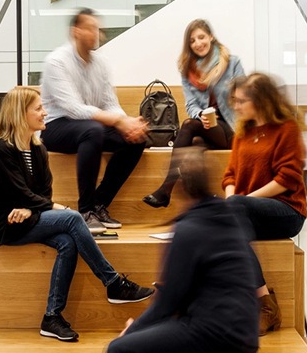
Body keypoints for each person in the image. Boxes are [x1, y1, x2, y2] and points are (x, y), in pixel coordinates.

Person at [0, 87, 154, 343]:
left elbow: (42, 193)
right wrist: (48, 207)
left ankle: (51, 317)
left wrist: (31, 208)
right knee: (73, 217)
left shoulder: (38, 149)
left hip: (29, 217)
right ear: (20, 114)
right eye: (38, 108)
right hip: (6, 224)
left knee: (67, 242)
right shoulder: (1, 150)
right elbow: (18, 193)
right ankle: (113, 283)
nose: (45, 113)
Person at [107, 149, 259, 353]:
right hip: (246, 334)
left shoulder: (188, 230)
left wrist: (131, 331)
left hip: (215, 334)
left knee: (118, 348)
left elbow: (166, 304)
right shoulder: (232, 217)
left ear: (179, 186)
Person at [40, 8, 149, 234]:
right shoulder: (56, 62)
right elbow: (74, 108)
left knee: (136, 140)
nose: (96, 33)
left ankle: (99, 204)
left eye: (97, 29)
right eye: (89, 28)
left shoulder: (101, 64)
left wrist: (128, 124)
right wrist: (117, 122)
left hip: (89, 125)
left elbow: (110, 103)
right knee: (93, 130)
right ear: (75, 32)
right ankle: (85, 210)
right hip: (55, 126)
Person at [222, 72, 307, 333]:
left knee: (230, 212)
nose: (236, 106)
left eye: (241, 101)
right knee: (210, 223)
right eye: (235, 101)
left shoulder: (286, 129)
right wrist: (232, 201)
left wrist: (239, 201)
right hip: (246, 211)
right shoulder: (243, 132)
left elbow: (287, 179)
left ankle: (265, 307)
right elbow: (229, 175)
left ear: (260, 100)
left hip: (286, 210)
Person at [143, 19, 244, 208]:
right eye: (192, 41)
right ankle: (203, 203)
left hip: (232, 127)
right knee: (194, 145)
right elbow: (191, 105)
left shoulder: (232, 62)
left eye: (201, 37)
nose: (198, 43)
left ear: (211, 37)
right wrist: (202, 115)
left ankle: (165, 190)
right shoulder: (187, 70)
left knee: (189, 127)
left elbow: (243, 96)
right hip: (207, 128)